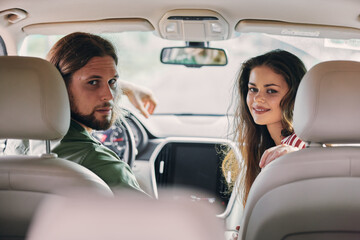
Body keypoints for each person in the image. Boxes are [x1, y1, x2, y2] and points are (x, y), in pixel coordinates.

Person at [48, 32, 156, 194]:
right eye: (93, 82)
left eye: (112, 81)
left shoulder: (19, 138)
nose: (110, 96)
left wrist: (128, 88)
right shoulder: (103, 166)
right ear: (60, 86)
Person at [222, 49, 307, 207]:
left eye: (271, 91)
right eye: (253, 89)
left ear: (295, 96)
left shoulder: (295, 150)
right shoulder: (270, 145)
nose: (257, 98)